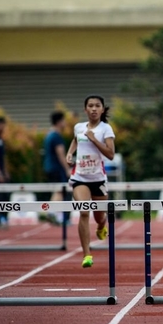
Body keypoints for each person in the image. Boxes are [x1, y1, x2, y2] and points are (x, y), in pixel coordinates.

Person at [66, 95, 115, 268]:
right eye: (90, 106)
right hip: (80, 178)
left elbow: (110, 154)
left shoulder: (105, 129)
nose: (94, 109)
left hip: (98, 179)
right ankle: (87, 254)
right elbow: (75, 140)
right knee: (84, 211)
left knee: (100, 217)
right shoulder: (78, 127)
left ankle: (102, 226)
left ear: (102, 109)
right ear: (85, 109)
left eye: (97, 106)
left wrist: (94, 139)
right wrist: (70, 153)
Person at [43, 111, 71, 224]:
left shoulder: (49, 135)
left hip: (49, 166)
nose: (65, 123)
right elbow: (61, 155)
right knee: (59, 190)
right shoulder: (56, 136)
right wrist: (67, 169)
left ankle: (56, 214)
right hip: (56, 168)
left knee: (58, 190)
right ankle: (51, 212)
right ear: (59, 122)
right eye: (64, 121)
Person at [0, 117, 10, 228]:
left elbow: (2, 157)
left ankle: (4, 217)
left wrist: (5, 171)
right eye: (2, 125)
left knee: (4, 195)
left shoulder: (1, 140)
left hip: (2, 172)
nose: (4, 128)